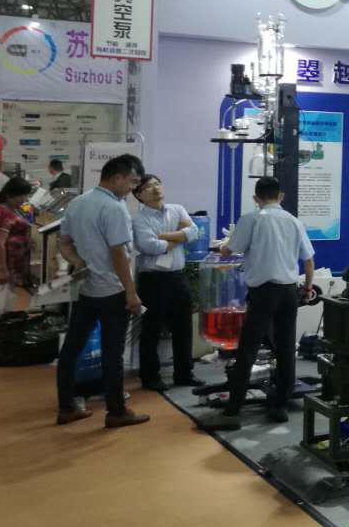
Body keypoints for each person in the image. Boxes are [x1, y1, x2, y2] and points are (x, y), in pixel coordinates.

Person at [201, 176, 315, 430]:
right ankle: (280, 406)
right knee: (286, 349)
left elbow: (230, 250)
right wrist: (307, 289)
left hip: (263, 292)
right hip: (289, 291)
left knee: (248, 350)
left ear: (256, 198)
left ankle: (232, 412)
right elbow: (308, 260)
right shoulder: (294, 221)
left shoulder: (251, 219)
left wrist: (222, 246)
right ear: (281, 196)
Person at [56, 152, 149, 428]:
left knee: (71, 348)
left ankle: (66, 407)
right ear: (117, 177)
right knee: (112, 352)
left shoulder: (77, 203)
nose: (132, 189)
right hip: (112, 291)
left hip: (87, 289)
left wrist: (78, 262)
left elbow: (64, 242)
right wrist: (130, 292)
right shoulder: (114, 207)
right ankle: (116, 411)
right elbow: (118, 254)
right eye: (132, 182)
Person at [132, 174, 203, 391]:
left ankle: (184, 373)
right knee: (151, 329)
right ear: (139, 195)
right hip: (153, 279)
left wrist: (163, 236)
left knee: (183, 327)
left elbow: (195, 232)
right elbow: (150, 247)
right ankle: (150, 377)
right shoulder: (139, 219)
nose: (156, 189)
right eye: (148, 187)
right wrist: (179, 237)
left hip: (177, 276)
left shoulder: (177, 209)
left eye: (157, 184)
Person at [0, 176, 36, 328]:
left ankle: (1, 328)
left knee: (7, 299)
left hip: (14, 263)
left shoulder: (11, 209)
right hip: (7, 263)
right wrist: (2, 269)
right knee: (2, 300)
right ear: (10, 195)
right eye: (22, 196)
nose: (25, 199)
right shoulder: (1, 212)